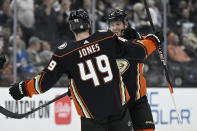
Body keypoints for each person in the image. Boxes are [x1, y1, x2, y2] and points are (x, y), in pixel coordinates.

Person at [9, 9, 161, 131]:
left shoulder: (65, 52)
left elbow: (43, 82)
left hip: (91, 116)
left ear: (71, 28)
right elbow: (139, 51)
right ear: (89, 24)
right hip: (118, 110)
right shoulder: (105, 38)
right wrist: (153, 40)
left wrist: (24, 89)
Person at [106, 9, 163, 131]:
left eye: (118, 24)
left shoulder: (136, 40)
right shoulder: (105, 46)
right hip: (118, 103)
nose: (114, 28)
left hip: (138, 100)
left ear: (125, 24)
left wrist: (156, 38)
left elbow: (148, 42)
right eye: (111, 25)